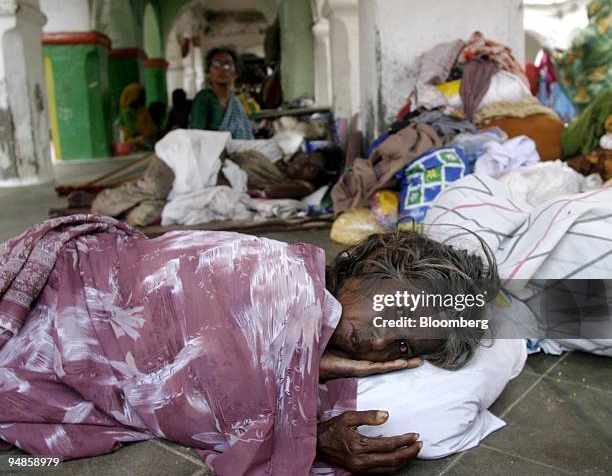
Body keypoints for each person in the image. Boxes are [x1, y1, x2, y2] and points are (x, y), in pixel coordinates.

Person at [0, 217, 497, 474]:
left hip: (73, 358)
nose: (382, 341)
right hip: (70, 285)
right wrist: (309, 437)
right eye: (396, 313)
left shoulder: (319, 358)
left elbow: (196, 397)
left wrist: (305, 378)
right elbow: (189, 341)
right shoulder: (268, 267)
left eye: (403, 344)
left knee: (30, 435)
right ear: (377, 266)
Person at [556, 0, 612, 112]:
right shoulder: (608, 36)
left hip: (590, 92)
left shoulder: (586, 35)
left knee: (590, 125)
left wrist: (556, 58)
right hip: (609, 88)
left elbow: (567, 61)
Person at [189, 46, 254, 139]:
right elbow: (196, 136)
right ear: (208, 71)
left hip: (240, 151)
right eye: (217, 64)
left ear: (235, 72)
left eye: (227, 65)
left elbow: (247, 136)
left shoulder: (236, 103)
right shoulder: (204, 98)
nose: (222, 69)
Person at [117, 83, 158, 150]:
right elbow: (134, 134)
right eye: (141, 96)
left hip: (146, 140)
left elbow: (152, 129)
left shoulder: (143, 111)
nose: (144, 98)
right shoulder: (127, 113)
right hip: (133, 143)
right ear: (133, 97)